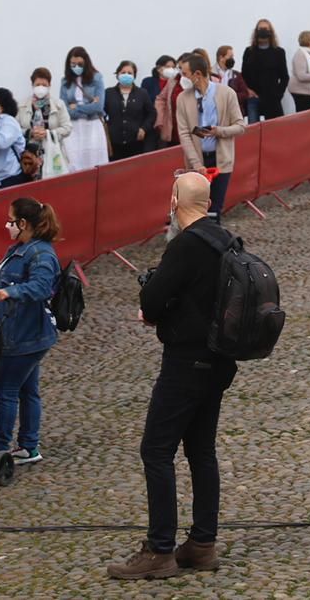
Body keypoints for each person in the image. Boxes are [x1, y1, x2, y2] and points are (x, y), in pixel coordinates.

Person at [108, 173, 235, 580]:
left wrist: (155, 310)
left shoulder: (186, 245)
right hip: (218, 359)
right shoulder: (227, 240)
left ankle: (160, 549)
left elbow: (152, 298)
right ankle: (202, 543)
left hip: (186, 361)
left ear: (176, 199)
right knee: (201, 451)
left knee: (156, 450)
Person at [0, 197, 63, 464]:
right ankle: (28, 447)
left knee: (6, 391)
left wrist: (10, 292)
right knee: (27, 390)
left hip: (23, 336)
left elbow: (42, 287)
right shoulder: (22, 248)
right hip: (26, 334)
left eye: (11, 220)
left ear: (23, 223)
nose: (7, 225)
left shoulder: (40, 254)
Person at [175, 52, 248, 216]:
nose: (182, 77)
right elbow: (184, 134)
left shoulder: (227, 93)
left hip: (221, 160)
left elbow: (240, 126)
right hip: (196, 162)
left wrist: (219, 131)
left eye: (185, 74)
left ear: (197, 74)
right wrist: (196, 164)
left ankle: (213, 239)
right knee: (196, 209)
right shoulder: (182, 99)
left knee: (214, 208)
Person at [60, 47, 110, 172]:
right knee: (74, 162)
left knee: (94, 161)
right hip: (73, 127)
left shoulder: (97, 78)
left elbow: (98, 107)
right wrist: (86, 107)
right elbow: (64, 108)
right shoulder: (65, 81)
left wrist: (76, 106)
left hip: (92, 125)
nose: (76, 67)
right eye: (73, 64)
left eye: (80, 64)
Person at [19, 67, 74, 178]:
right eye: (38, 84)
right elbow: (15, 130)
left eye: (44, 85)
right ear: (32, 85)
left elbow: (67, 127)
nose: (41, 88)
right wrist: (30, 133)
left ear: (49, 85)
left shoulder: (58, 104)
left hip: (53, 153)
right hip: (30, 156)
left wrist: (48, 133)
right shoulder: (22, 105)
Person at [106, 60, 157, 161]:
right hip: (114, 142)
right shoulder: (108, 93)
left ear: (134, 75)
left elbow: (151, 113)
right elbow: (102, 114)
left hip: (135, 141)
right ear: (117, 74)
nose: (126, 75)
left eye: (130, 73)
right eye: (123, 72)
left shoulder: (142, 93)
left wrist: (144, 128)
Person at [241, 19, 290, 120]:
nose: (263, 31)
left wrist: (278, 95)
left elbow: (285, 77)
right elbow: (243, 75)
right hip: (253, 98)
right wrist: (247, 90)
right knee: (253, 130)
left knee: (275, 129)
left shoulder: (279, 52)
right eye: (260, 29)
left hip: (272, 98)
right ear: (256, 31)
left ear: (271, 32)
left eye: (265, 29)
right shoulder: (249, 52)